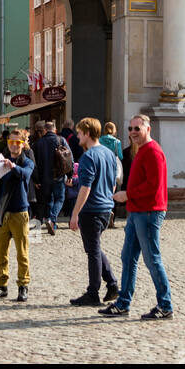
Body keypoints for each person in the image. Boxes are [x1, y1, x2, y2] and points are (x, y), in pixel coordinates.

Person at [99, 114, 173, 321]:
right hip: (137, 211)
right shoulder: (141, 150)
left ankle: (165, 305)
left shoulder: (153, 151)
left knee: (152, 259)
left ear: (148, 129)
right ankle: (123, 303)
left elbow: (153, 185)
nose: (132, 132)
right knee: (128, 257)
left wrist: (128, 195)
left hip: (148, 212)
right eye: (130, 129)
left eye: (137, 129)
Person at [68, 118, 120, 307]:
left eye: (80, 133)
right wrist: (108, 200)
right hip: (106, 208)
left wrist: (75, 213)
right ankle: (112, 284)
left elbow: (86, 188)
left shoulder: (88, 157)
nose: (77, 136)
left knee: (93, 251)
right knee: (94, 248)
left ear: (87, 133)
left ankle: (93, 293)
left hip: (91, 210)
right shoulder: (109, 154)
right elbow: (113, 183)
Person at [0, 129, 35, 302]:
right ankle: (2, 286)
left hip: (20, 212)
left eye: (17, 142)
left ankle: (23, 286)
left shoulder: (27, 162)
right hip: (2, 212)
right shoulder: (1, 161)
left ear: (23, 144)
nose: (13, 145)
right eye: (11, 142)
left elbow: (25, 175)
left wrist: (13, 167)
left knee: (22, 253)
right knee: (1, 253)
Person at [33, 118, 70, 235]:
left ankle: (50, 219)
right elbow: (69, 157)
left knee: (48, 200)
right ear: (55, 130)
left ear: (45, 130)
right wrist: (70, 174)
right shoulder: (61, 140)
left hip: (44, 177)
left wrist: (35, 179)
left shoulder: (37, 143)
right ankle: (52, 219)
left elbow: (34, 164)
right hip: (58, 175)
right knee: (60, 198)